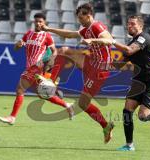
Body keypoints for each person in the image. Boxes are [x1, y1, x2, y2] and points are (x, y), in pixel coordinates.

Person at [83, 15, 150, 151]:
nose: (129, 26)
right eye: (128, 24)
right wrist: (98, 64)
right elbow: (118, 65)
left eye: (133, 24)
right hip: (138, 81)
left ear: (140, 26)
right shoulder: (129, 44)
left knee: (143, 116)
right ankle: (129, 145)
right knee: (127, 111)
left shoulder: (144, 38)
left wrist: (111, 41)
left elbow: (129, 50)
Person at [41, 3, 114, 143]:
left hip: (101, 69)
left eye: (81, 18)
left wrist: (93, 40)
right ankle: (50, 81)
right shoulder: (86, 29)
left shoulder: (97, 26)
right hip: (92, 63)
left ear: (89, 15)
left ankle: (106, 126)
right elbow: (69, 34)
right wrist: (49, 29)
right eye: (78, 18)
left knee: (83, 103)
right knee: (64, 51)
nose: (79, 21)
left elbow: (109, 40)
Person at [0, 13, 74, 125]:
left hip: (37, 67)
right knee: (43, 95)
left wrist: (49, 59)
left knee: (20, 89)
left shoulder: (46, 36)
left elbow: (54, 51)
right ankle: (67, 105)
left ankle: (12, 117)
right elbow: (16, 48)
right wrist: (18, 45)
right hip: (29, 67)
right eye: (36, 21)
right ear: (34, 22)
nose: (38, 23)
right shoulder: (28, 34)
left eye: (40, 22)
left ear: (44, 23)